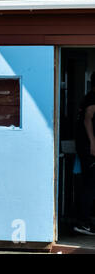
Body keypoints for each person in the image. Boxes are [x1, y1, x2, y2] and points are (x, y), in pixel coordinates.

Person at [74, 72, 95, 235]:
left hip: (86, 147)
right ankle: (84, 222)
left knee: (90, 183)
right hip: (89, 148)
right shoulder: (93, 97)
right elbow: (88, 119)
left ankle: (86, 219)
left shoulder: (89, 96)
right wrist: (93, 142)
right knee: (90, 184)